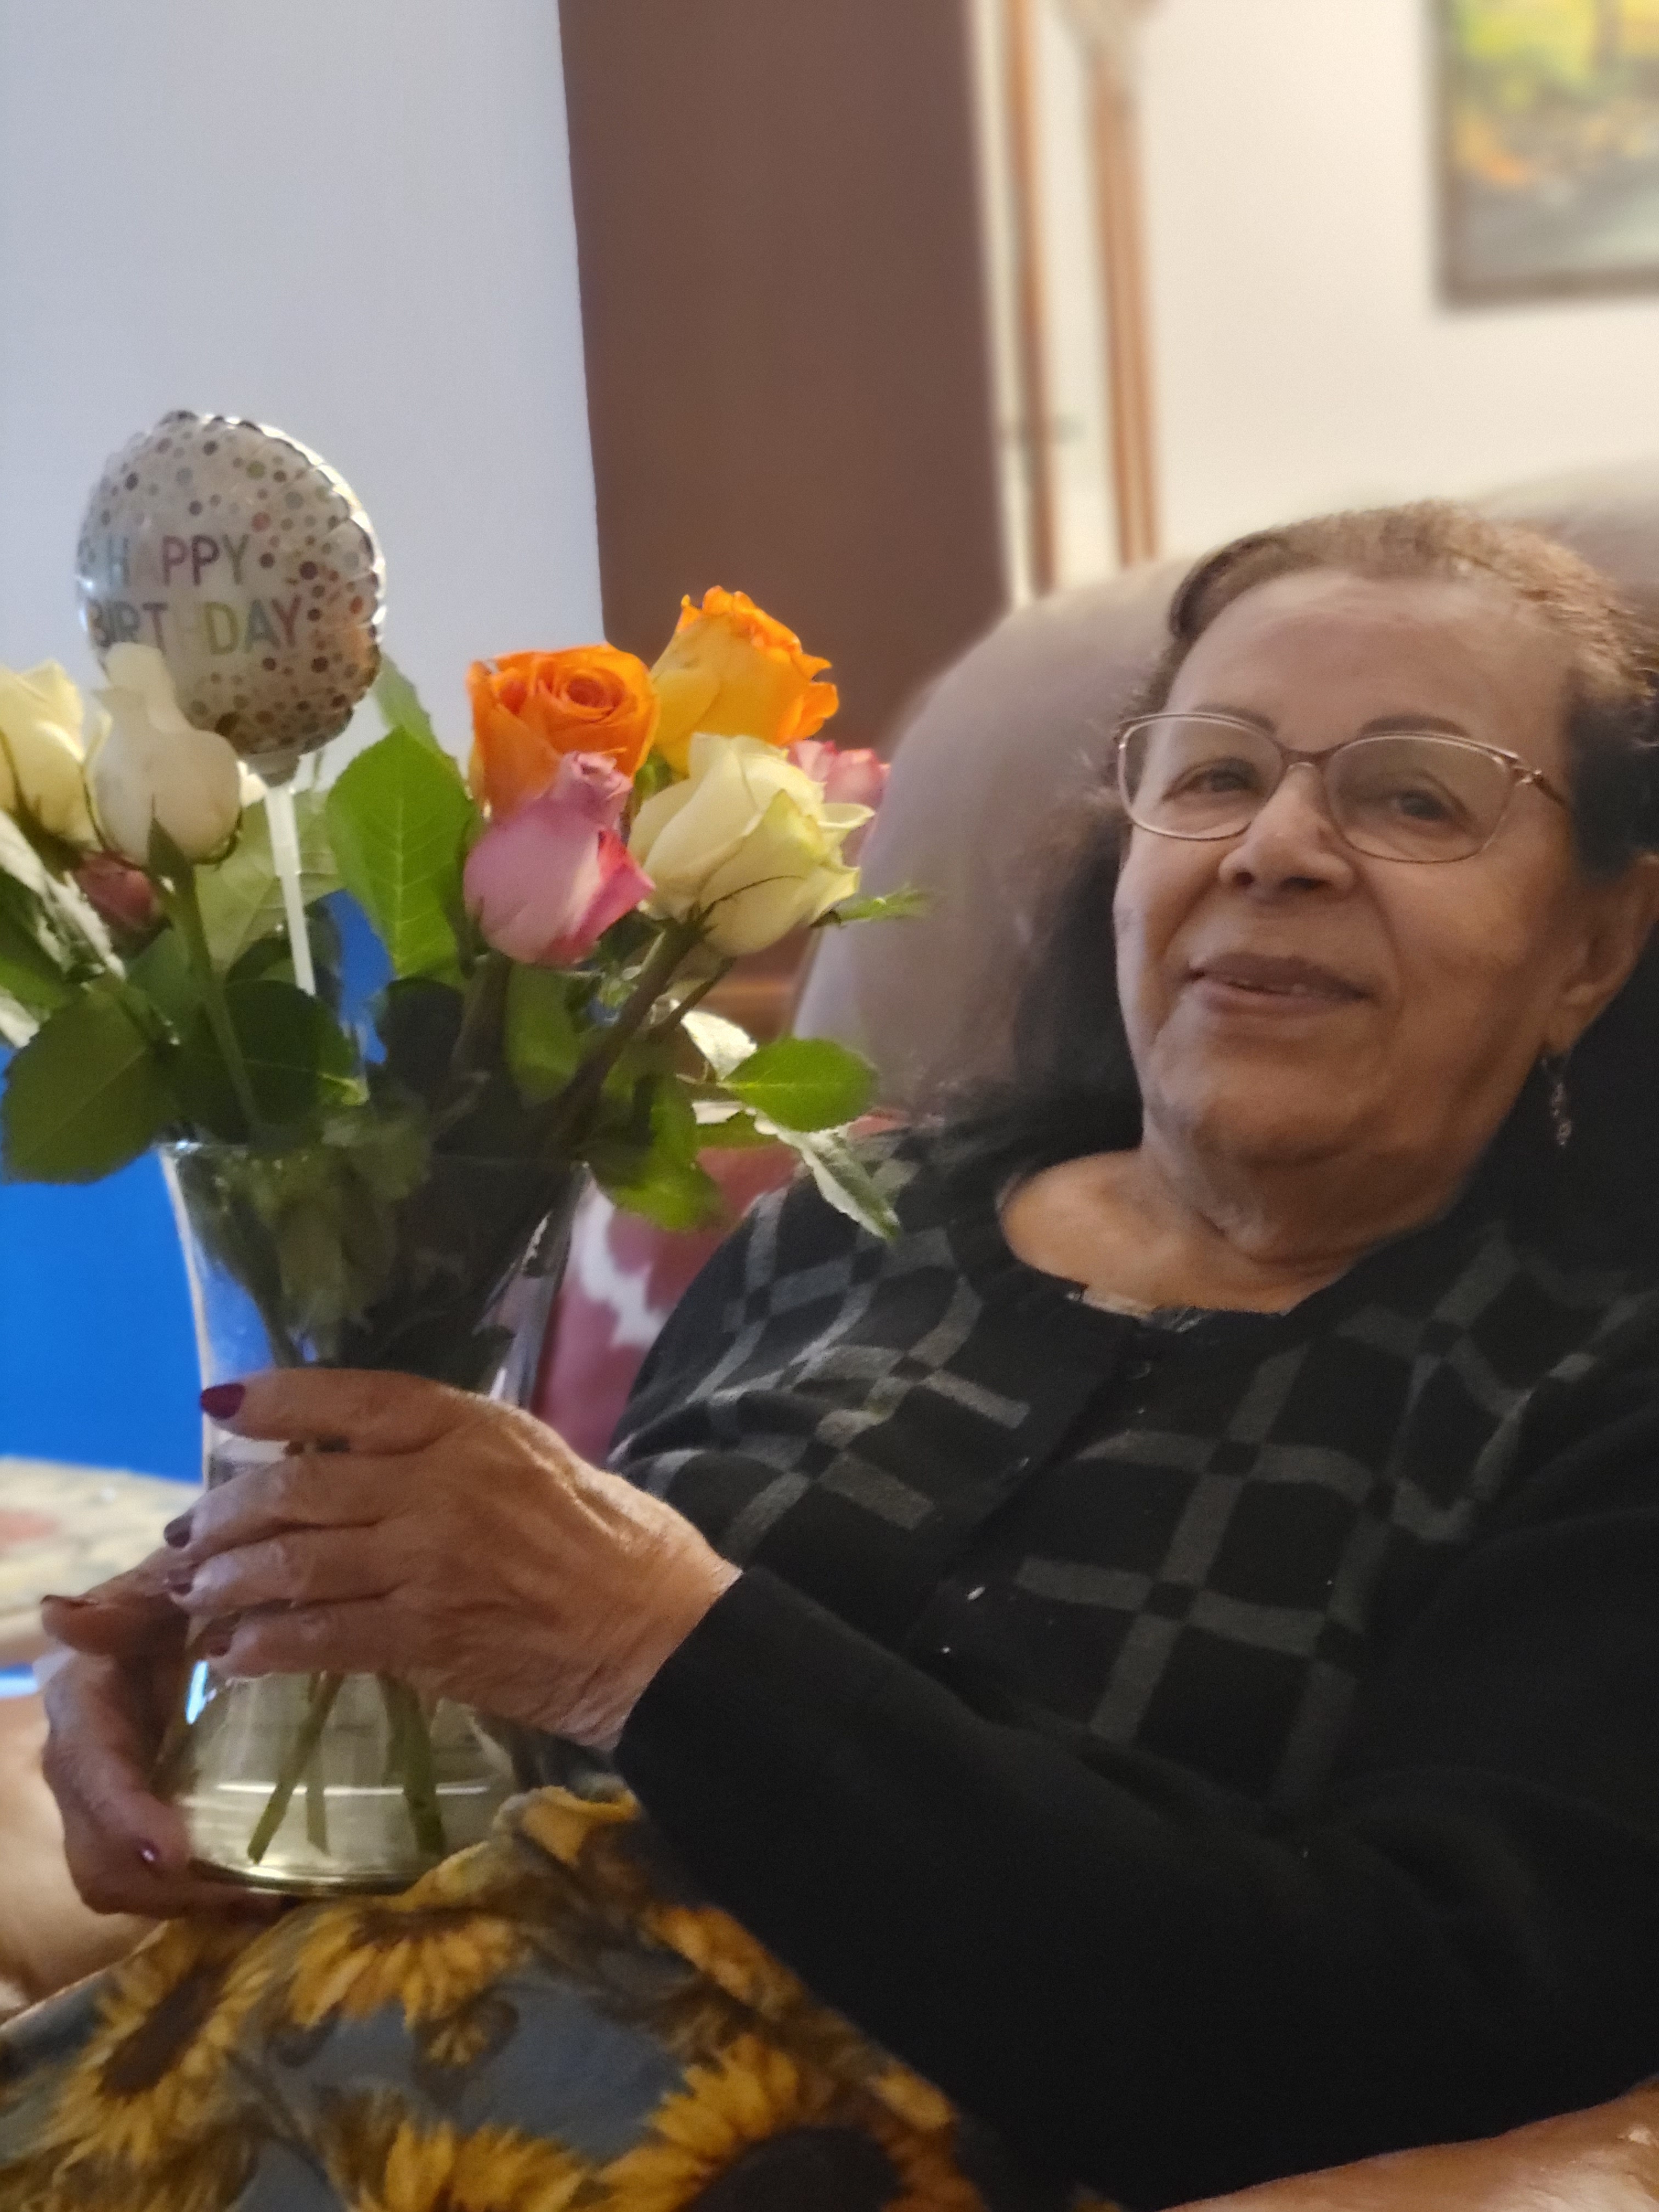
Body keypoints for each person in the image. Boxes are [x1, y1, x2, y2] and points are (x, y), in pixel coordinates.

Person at [16, 501, 1659, 2210]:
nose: (1277, 849)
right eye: (1217, 774)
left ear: (1594, 945)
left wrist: (656, 1642)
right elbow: (547, 1692)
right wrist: (269, 1625)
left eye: (1413, 796)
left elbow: (1415, 2021)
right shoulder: (865, 1211)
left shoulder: (1594, 1394)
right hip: (255, 2076)